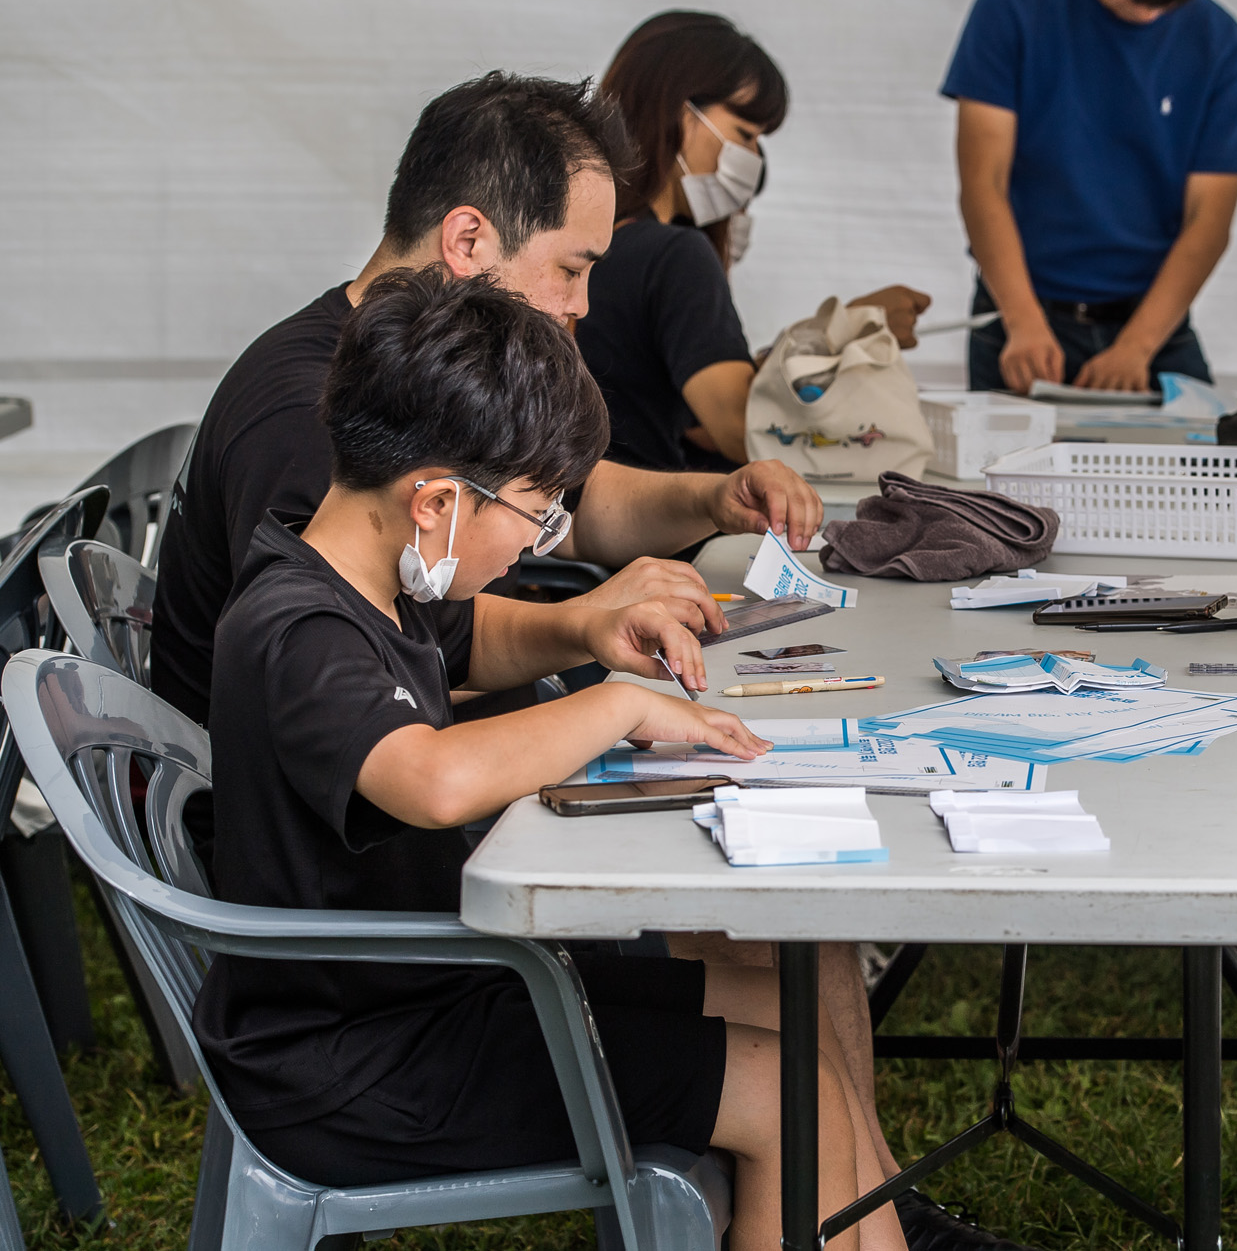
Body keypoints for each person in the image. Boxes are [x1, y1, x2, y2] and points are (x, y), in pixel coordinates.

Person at [192, 265, 909, 1251]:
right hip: (354, 1063)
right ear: (438, 503)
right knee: (787, 1095)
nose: (535, 540)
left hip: (430, 993)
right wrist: (618, 707)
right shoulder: (295, 631)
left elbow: (472, 640)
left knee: (787, 1013)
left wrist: (586, 633)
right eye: (532, 511)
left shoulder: (360, 583)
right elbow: (433, 777)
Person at [153, 71, 823, 730]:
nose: (581, 304)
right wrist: (589, 620)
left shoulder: (423, 364)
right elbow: (389, 670)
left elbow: (576, 515)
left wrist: (711, 500)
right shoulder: (307, 416)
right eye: (570, 268)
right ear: (468, 240)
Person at [581, 12, 933, 472]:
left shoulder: (595, 243)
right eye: (745, 135)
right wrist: (841, 334)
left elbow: (696, 421)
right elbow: (740, 429)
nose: (753, 161)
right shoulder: (674, 255)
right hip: (657, 524)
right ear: (680, 112)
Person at [943, 0, 1237, 394]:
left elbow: (1209, 220)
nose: (1148, 13)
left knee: (1216, 457)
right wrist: (1022, 322)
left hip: (1152, 322)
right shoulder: (1012, 8)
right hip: (1021, 308)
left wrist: (1138, 347)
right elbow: (984, 184)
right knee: (996, 467)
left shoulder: (1221, 45)